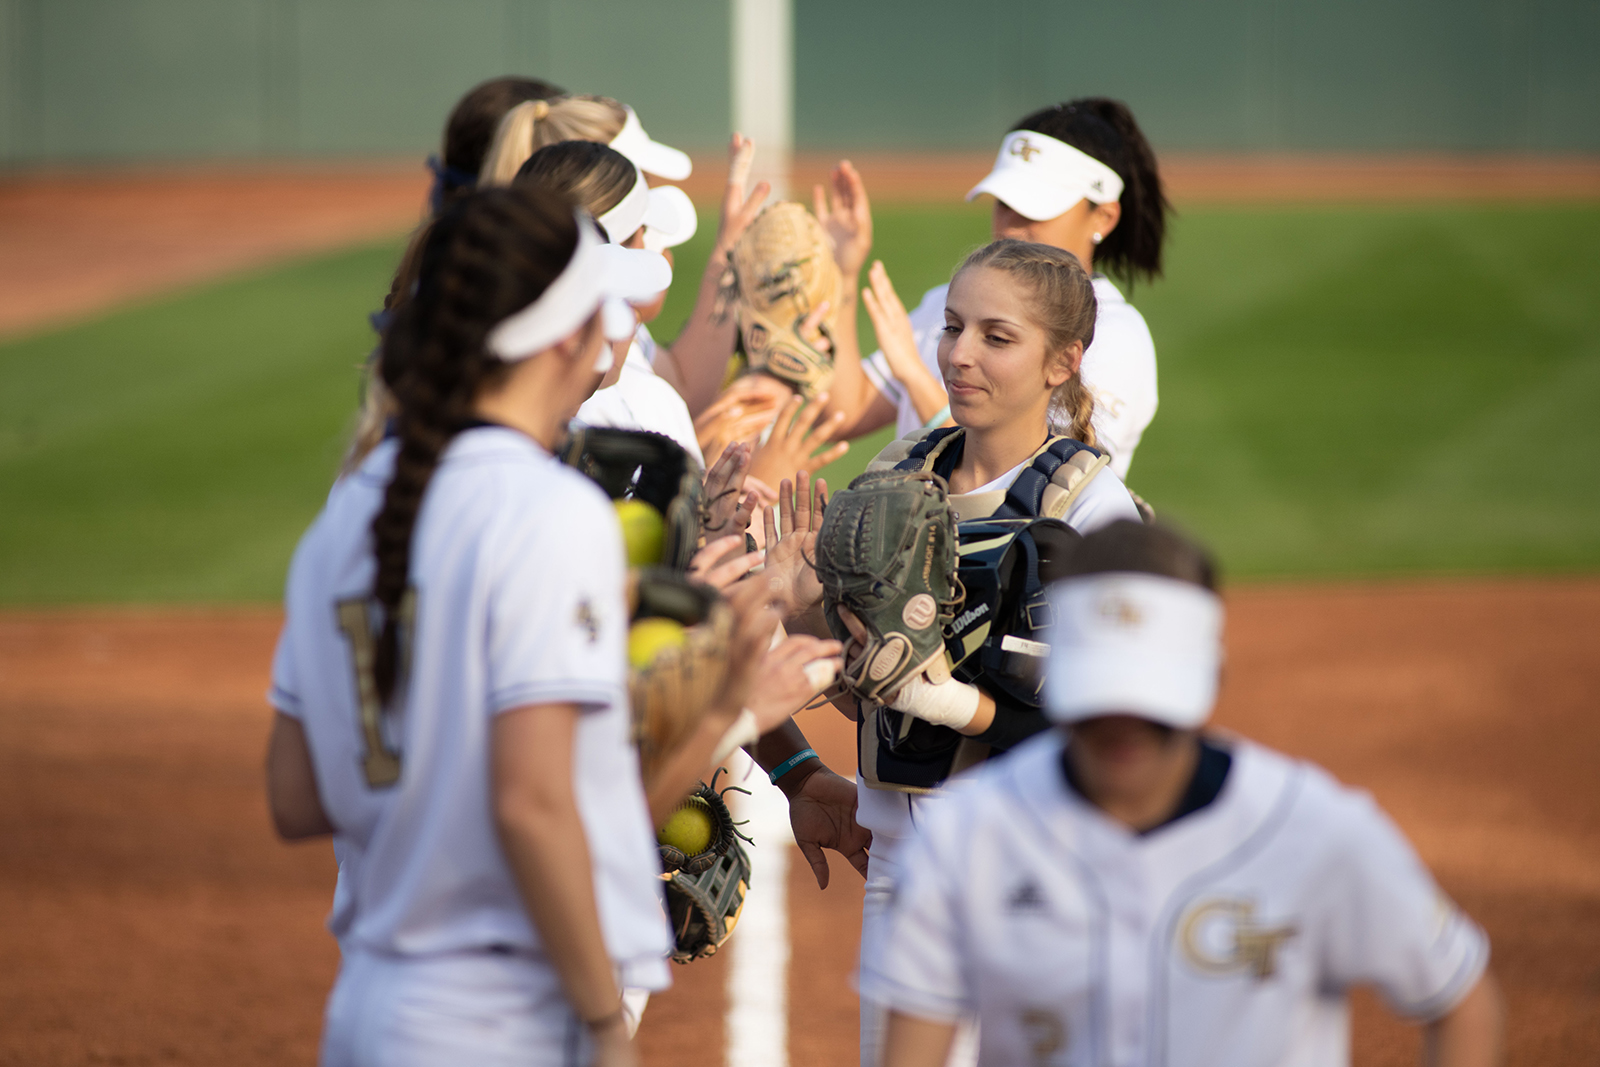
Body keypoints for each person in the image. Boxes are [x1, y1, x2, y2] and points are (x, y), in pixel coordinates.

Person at [263, 186, 779, 1066]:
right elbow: (538, 808)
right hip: (502, 1013)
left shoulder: (351, 507)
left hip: (369, 1007)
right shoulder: (550, 514)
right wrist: (732, 709)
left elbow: (297, 794)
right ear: (566, 335)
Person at [862, 520, 1505, 1067]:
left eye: (1150, 697)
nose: (1122, 722)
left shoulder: (1316, 830)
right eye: (1100, 690)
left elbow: (1459, 996)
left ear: (1213, 679)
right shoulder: (966, 838)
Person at [840, 236, 1142, 1067]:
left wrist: (944, 701)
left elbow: (1116, 732)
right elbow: (864, 674)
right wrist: (806, 616)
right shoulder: (899, 476)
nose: (959, 355)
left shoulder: (1092, 514)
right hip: (902, 866)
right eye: (952, 327)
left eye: (996, 337)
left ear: (1062, 362)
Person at [827, 99, 1169, 480]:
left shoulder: (1114, 335)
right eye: (1004, 203)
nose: (1009, 224)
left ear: (1103, 216)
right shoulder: (950, 305)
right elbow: (843, 414)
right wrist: (842, 272)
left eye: (1035, 208)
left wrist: (913, 374)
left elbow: (1045, 479)